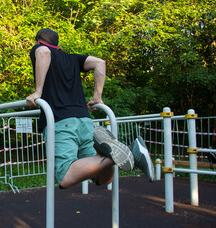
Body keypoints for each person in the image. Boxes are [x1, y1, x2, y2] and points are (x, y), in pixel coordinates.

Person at [26, 28, 155, 189]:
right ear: (57, 45)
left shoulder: (40, 49)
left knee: (64, 177)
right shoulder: (72, 59)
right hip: (84, 121)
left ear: (38, 41)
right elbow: (100, 63)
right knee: (102, 179)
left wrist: (38, 92)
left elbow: (44, 52)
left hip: (60, 120)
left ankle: (124, 152)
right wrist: (97, 96)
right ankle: (119, 153)